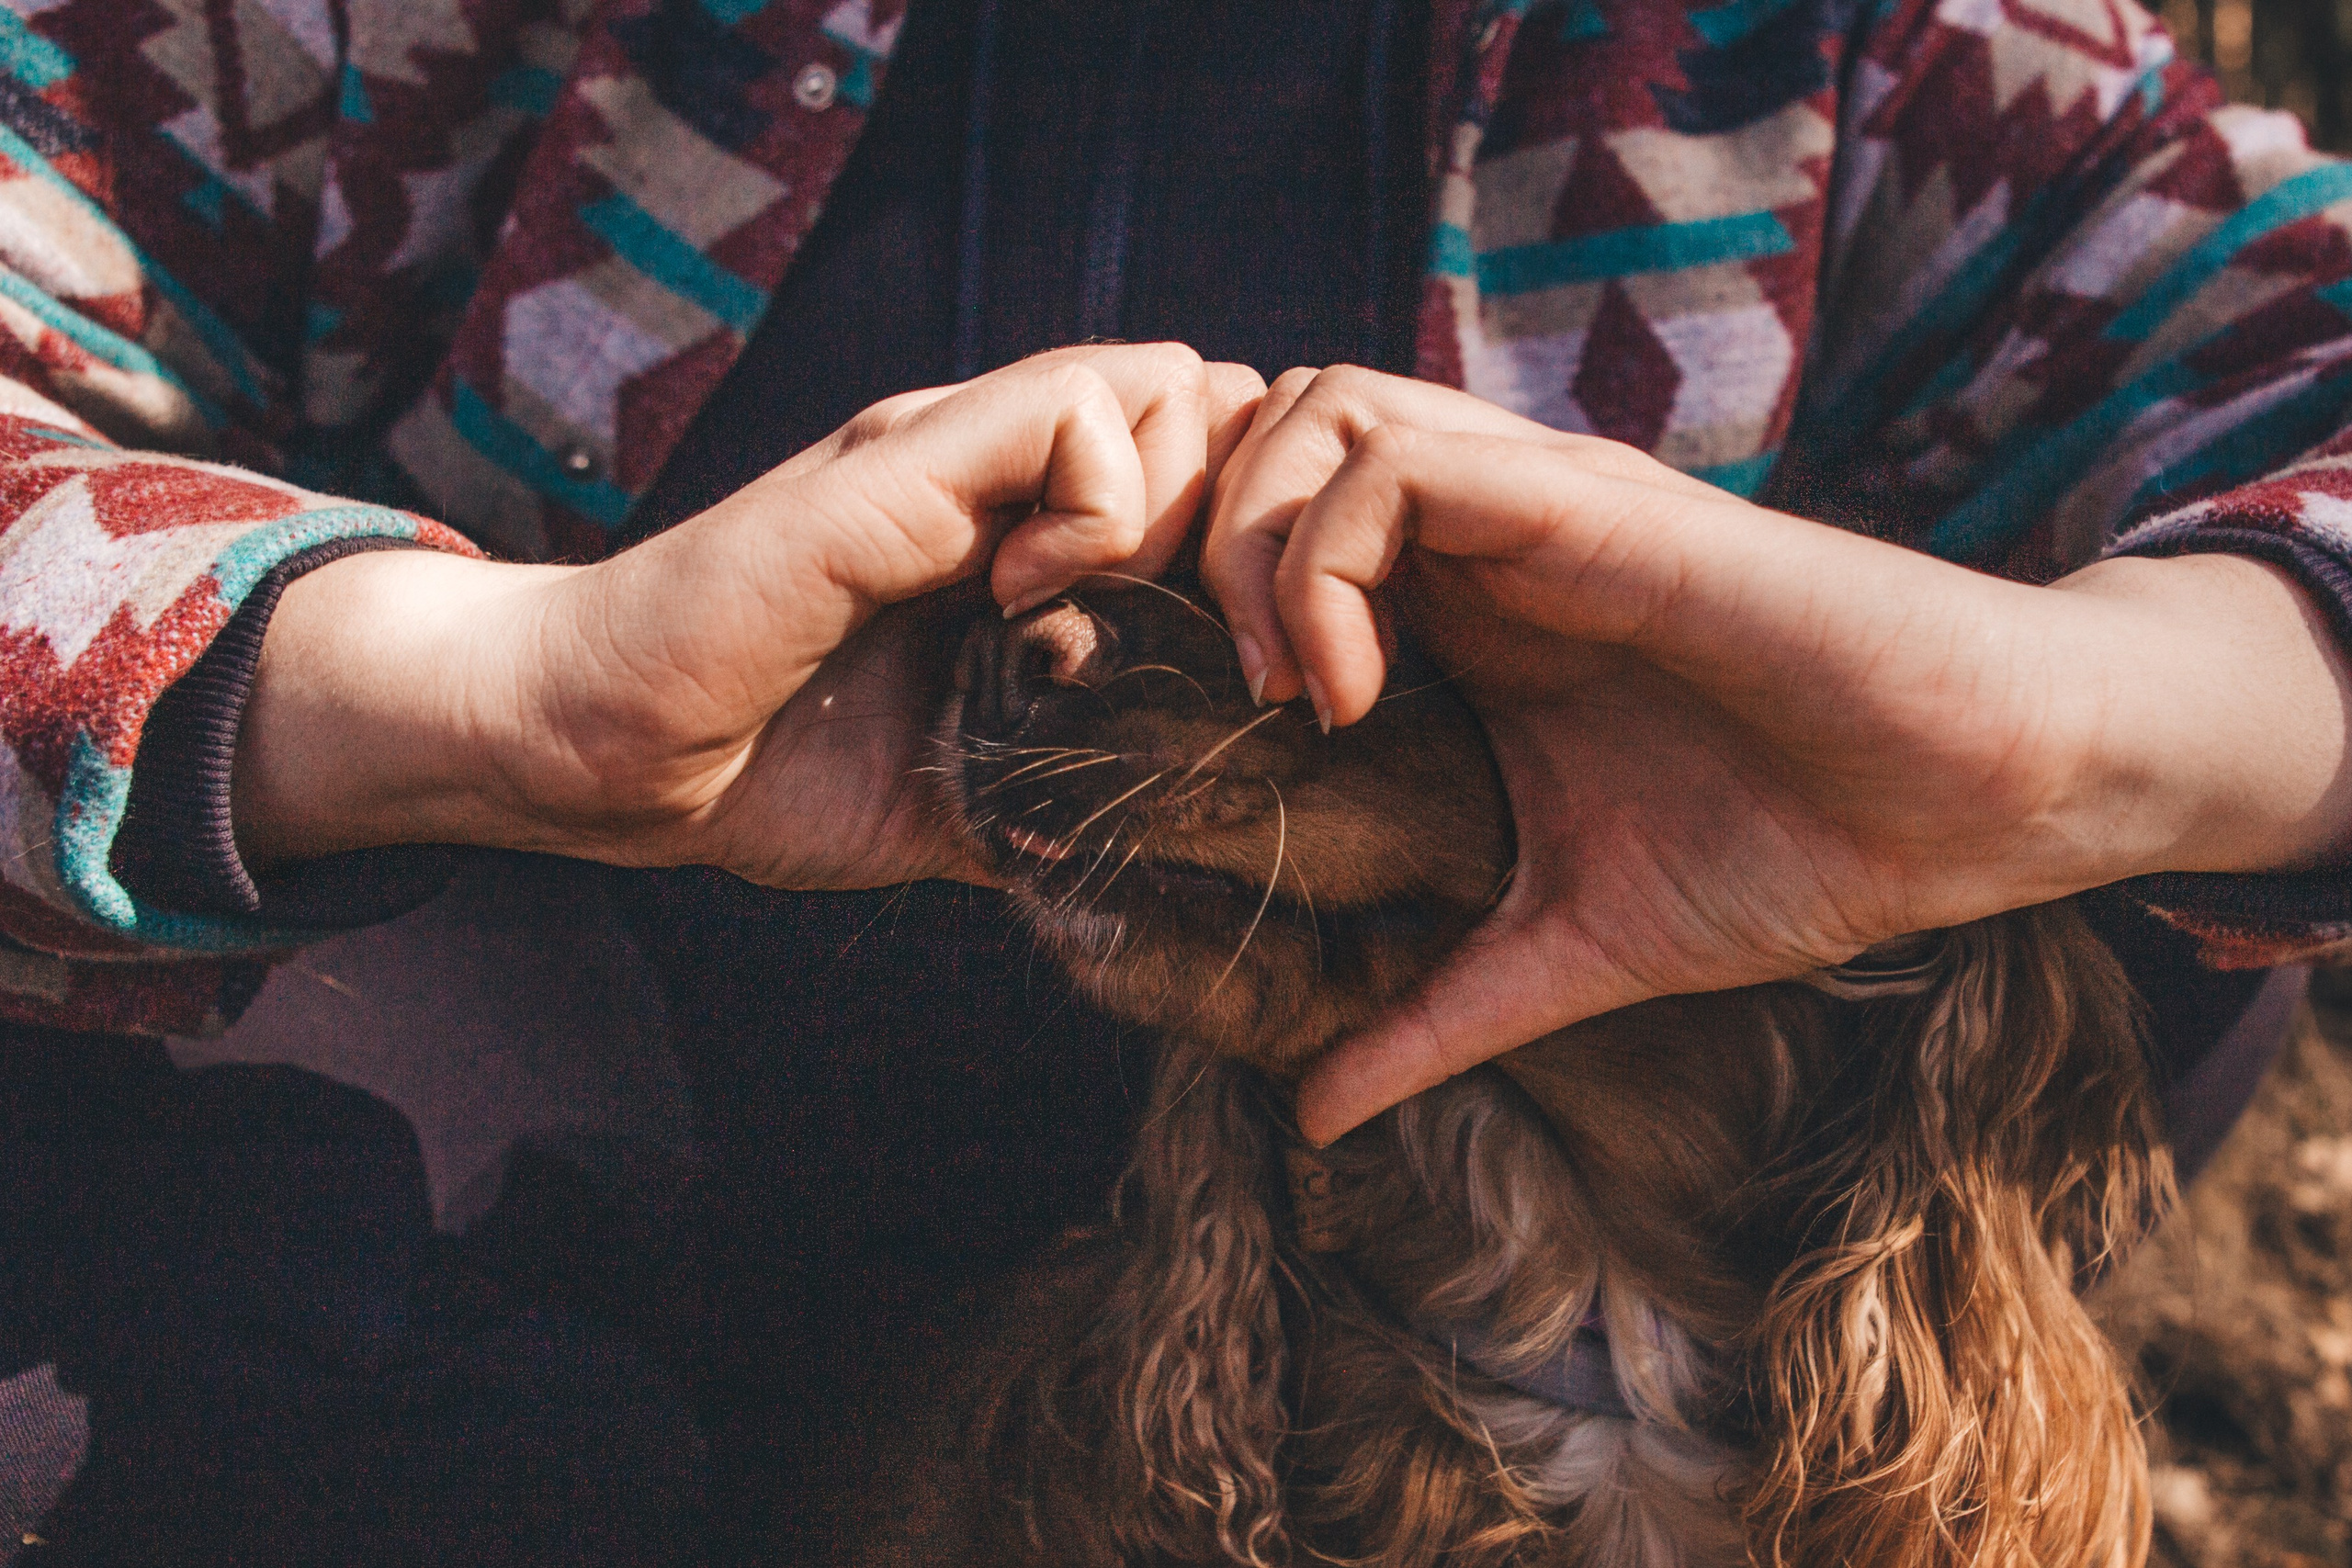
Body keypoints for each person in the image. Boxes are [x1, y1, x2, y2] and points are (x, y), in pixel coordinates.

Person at [0, 0, 2349, 1560]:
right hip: (527, 1177)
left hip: (1477, 1230)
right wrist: (475, 680)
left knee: (2160, 884)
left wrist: (2083, 714)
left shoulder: (1876, 45)